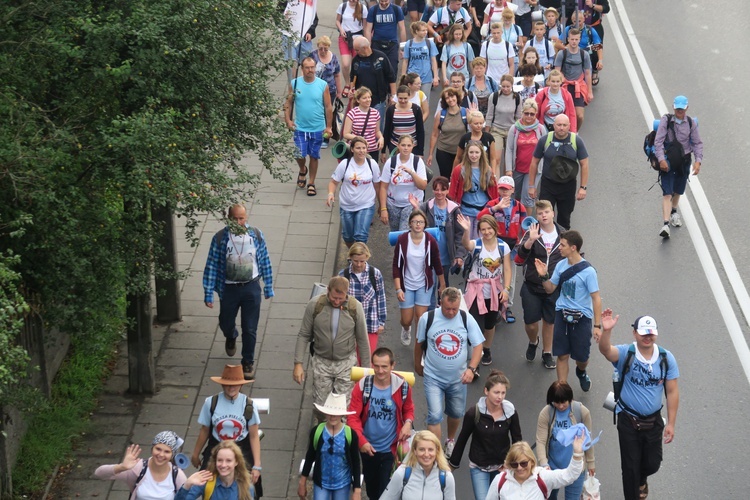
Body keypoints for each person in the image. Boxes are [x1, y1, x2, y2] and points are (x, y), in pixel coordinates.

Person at [599, 310, 680, 500]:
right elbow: (605, 350)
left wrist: (671, 424)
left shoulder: (666, 359)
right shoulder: (626, 353)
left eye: (651, 333)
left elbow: (672, 392)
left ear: (656, 334)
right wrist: (607, 331)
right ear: (635, 333)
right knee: (629, 469)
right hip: (628, 420)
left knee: (653, 463)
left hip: (653, 422)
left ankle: (642, 479)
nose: (647, 337)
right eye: (643, 333)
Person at [203, 204, 274, 380]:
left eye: (241, 218)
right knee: (225, 321)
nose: (238, 222)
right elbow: (211, 264)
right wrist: (208, 293)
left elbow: (264, 259)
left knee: (250, 328)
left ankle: (247, 361)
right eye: (234, 218)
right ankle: (231, 335)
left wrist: (268, 286)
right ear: (229, 218)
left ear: (246, 217)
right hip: (229, 288)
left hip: (251, 287)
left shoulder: (256, 235)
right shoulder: (220, 238)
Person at [414, 287, 485, 455]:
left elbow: (478, 346)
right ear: (440, 303)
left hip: (458, 379)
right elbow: (419, 343)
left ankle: (450, 440)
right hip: (433, 377)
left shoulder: (465, 318)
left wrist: (471, 369)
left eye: (455, 308)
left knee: (456, 413)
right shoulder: (428, 318)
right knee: (435, 415)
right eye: (447, 309)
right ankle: (435, 452)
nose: (452, 312)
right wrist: (417, 364)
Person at [294, 276, 371, 418]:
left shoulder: (355, 307)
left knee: (343, 407)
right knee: (321, 406)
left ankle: (341, 435)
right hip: (321, 362)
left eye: (340, 299)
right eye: (334, 297)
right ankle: (322, 432)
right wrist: (298, 363)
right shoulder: (315, 305)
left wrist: (366, 372)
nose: (336, 301)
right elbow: (304, 334)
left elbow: (362, 340)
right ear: (328, 291)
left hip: (346, 362)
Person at [533, 230, 601, 392]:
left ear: (573, 248)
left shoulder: (588, 271)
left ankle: (581, 371)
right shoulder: (560, 265)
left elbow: (596, 298)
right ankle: (562, 390)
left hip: (582, 317)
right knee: (562, 355)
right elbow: (550, 289)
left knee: (582, 357)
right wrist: (543, 276)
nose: (559, 248)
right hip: (562, 314)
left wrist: (597, 326)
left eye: (562, 245)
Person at [347, 347, 416, 500]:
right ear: (372, 365)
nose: (380, 371)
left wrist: (408, 423)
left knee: (386, 491)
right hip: (368, 449)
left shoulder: (402, 386)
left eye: (384, 366)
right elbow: (353, 418)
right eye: (376, 366)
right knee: (372, 489)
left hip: (390, 450)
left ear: (393, 365)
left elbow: (408, 409)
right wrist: (362, 442)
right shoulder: (362, 386)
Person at [189, 365, 263, 496]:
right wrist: (195, 454)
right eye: (228, 385)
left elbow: (253, 436)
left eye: (235, 384)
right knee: (203, 481)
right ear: (222, 385)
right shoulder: (211, 402)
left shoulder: (249, 404)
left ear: (241, 385)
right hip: (216, 446)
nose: (231, 388)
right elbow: (204, 430)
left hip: (241, 448)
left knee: (250, 484)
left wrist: (257, 465)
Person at [448, 370, 522, 500]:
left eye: (503, 393)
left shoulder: (510, 413)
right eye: (496, 392)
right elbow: (462, 439)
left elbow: (517, 442)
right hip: (479, 467)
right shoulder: (474, 413)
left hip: (501, 467)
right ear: (486, 391)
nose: (500, 397)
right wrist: (451, 466)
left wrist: (511, 464)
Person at [515, 199, 564, 369]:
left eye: (546, 212)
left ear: (553, 213)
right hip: (532, 286)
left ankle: (547, 353)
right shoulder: (531, 232)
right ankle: (533, 341)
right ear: (536, 216)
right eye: (540, 213)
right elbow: (518, 260)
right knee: (531, 323)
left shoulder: (563, 234)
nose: (543, 215)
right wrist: (530, 241)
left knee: (549, 322)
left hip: (553, 287)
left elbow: (573, 258)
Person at [457, 213, 511, 367]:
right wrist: (466, 230)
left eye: (489, 229)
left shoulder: (503, 247)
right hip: (476, 291)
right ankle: (475, 361)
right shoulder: (477, 245)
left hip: (494, 292)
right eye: (483, 229)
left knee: (489, 325)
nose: (486, 232)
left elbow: (507, 269)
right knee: (475, 326)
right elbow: (466, 245)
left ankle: (486, 349)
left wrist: (506, 289)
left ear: (495, 228)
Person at [475, 176, 527, 322]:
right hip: (495, 245)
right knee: (494, 273)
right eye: (501, 189)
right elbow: (480, 217)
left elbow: (525, 227)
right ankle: (494, 302)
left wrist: (523, 244)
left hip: (512, 245)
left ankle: (507, 306)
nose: (504, 192)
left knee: (510, 275)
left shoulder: (519, 206)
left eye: (507, 189)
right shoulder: (492, 204)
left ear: (512, 190)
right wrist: (495, 209)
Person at [653, 95, 703, 239]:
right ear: (674, 107)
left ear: (687, 108)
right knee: (667, 193)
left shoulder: (691, 123)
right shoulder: (666, 121)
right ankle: (666, 224)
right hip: (668, 162)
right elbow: (658, 141)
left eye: (682, 108)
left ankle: (674, 212)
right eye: (678, 108)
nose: (680, 111)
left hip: (684, 162)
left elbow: (697, 143)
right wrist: (661, 159)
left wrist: (698, 161)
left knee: (678, 190)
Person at [393, 209, 446, 345]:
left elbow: (437, 263)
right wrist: (398, 289)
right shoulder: (402, 240)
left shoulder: (430, 241)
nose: (418, 224)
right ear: (410, 224)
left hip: (424, 285)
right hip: (406, 285)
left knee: (420, 318)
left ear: (424, 225)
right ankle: (406, 329)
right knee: (406, 320)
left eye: (421, 222)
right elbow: (396, 266)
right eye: (415, 222)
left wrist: (442, 284)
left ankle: (419, 346)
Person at [527, 114, 588, 230]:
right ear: (554, 125)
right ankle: (544, 244)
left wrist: (583, 188)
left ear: (569, 126)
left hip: (568, 186)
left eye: (564, 125)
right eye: (559, 125)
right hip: (548, 185)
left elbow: (584, 164)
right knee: (544, 216)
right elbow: (534, 162)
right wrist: (531, 186)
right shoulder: (545, 140)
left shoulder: (576, 141)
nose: (561, 128)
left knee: (564, 219)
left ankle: (562, 244)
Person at [535, 381, 595, 500]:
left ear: (570, 398)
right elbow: (540, 441)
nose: (561, 406)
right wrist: (544, 464)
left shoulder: (582, 411)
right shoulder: (546, 412)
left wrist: (591, 462)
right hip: (552, 469)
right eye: (557, 402)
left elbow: (588, 439)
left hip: (576, 468)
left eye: (564, 402)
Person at [409, 176, 467, 295]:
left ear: (447, 190)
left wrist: (459, 255)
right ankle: (429, 309)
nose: (439, 192)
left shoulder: (454, 210)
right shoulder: (426, 207)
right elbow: (415, 224)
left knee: (443, 284)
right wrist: (416, 208)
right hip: (428, 253)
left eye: (442, 189)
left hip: (445, 255)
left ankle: (442, 307)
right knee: (429, 283)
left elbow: (459, 234)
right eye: (436, 189)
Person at [299, 392, 362, 500]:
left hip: (343, 483)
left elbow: (356, 462)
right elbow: (310, 457)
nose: (333, 417)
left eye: (336, 413)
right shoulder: (317, 432)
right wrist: (302, 481)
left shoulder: (350, 434)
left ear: (342, 414)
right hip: (321, 483)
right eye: (330, 413)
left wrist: (357, 489)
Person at [285, 56, 333, 196]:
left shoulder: (322, 85)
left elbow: (328, 106)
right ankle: (302, 169)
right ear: (302, 69)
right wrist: (288, 120)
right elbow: (288, 103)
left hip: (318, 127)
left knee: (314, 156)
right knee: (299, 154)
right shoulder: (294, 84)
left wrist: (329, 127)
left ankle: (311, 182)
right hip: (300, 127)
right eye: (307, 67)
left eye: (312, 67)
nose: (310, 70)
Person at [484, 435, 586, 499]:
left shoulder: (542, 477)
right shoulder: (500, 481)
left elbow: (569, 475)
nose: (519, 468)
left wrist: (577, 453)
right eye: (514, 464)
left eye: (523, 463)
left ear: (532, 461)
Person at [95, 431, 188, 500]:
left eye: (167, 451)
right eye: (158, 449)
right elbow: (99, 473)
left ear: (172, 455)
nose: (161, 455)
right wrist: (121, 467)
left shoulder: (177, 475)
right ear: (152, 449)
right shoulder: (138, 468)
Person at [327, 136, 382, 247]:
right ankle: (352, 253)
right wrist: (331, 193)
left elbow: (378, 186)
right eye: (358, 148)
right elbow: (333, 182)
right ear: (352, 149)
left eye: (363, 148)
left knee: (361, 235)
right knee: (348, 236)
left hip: (366, 205)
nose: (361, 151)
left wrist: (382, 206)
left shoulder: (372, 164)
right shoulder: (345, 164)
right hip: (347, 206)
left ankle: (358, 259)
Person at [339, 243, 387, 364]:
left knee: (367, 361)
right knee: (350, 361)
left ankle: (363, 383)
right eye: (355, 261)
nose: (359, 264)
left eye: (362, 261)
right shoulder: (343, 275)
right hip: (349, 327)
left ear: (367, 257)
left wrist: (381, 322)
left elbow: (380, 298)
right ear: (350, 258)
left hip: (370, 324)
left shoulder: (375, 274)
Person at [380, 430, 457, 499]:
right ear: (415, 451)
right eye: (422, 449)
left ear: (437, 451)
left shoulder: (446, 477)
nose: (426, 454)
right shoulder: (402, 474)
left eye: (430, 449)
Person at [504, 98, 547, 214]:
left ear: (536, 115)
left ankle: (526, 226)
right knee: (516, 197)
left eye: (532, 114)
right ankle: (516, 222)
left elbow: (545, 150)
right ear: (522, 113)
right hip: (517, 168)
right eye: (526, 113)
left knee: (527, 198)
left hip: (533, 170)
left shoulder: (540, 129)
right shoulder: (514, 129)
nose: (529, 116)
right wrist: (508, 169)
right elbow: (509, 149)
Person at [448, 142, 499, 237]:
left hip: (483, 212)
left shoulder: (488, 170)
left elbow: (494, 194)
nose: (474, 155)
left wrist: (493, 211)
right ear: (467, 153)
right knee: (465, 242)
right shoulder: (459, 170)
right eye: (471, 152)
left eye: (477, 152)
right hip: (465, 212)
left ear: (481, 153)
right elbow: (452, 193)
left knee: (479, 242)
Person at [379, 135, 428, 231]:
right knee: (396, 234)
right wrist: (383, 209)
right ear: (398, 145)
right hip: (393, 204)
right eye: (403, 145)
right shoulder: (391, 162)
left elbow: (423, 186)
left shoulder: (417, 162)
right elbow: (383, 187)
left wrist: (411, 173)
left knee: (404, 232)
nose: (406, 148)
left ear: (413, 146)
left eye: (409, 145)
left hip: (412, 204)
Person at [178, 441, 256, 500]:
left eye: (228, 460)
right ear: (215, 461)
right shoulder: (207, 482)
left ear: (236, 462)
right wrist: (187, 485)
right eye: (220, 460)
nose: (223, 465)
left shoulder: (246, 486)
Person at [553, 29, 592, 130]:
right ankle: (564, 132)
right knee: (564, 115)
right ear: (568, 40)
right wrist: (561, 81)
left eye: (576, 39)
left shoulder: (584, 55)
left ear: (579, 40)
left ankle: (575, 132)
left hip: (578, 87)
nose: (574, 41)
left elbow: (587, 74)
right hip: (565, 86)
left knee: (579, 116)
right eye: (572, 39)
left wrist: (590, 92)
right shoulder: (562, 54)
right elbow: (557, 72)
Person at [351, 38, 397, 121]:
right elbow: (352, 78)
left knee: (378, 127)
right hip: (361, 101)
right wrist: (352, 90)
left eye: (357, 50)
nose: (355, 52)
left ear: (364, 48)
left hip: (378, 100)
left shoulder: (381, 57)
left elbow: (391, 77)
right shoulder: (356, 60)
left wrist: (393, 95)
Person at [427, 87, 469, 179]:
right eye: (447, 98)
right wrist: (430, 154)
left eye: (452, 96)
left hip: (461, 152)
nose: (450, 100)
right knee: (446, 179)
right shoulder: (441, 114)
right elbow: (434, 134)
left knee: (460, 178)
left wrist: (474, 115)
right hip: (444, 151)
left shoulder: (465, 113)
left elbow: (474, 129)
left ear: (457, 97)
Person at [311, 37, 344, 149]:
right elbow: (306, 71)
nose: (323, 51)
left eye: (325, 49)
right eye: (321, 49)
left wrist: (340, 91)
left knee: (327, 113)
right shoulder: (313, 56)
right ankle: (316, 135)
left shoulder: (333, 57)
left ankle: (325, 137)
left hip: (330, 90)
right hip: (315, 90)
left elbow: (337, 75)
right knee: (316, 113)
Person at [485, 74, 521, 174]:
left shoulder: (517, 97)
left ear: (512, 86)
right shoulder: (494, 96)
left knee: (508, 162)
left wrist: (519, 133)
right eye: (503, 86)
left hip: (511, 131)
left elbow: (519, 117)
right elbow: (489, 115)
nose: (505, 89)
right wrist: (486, 134)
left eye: (508, 87)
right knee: (496, 159)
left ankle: (506, 184)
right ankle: (495, 184)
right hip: (497, 130)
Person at [365, 0, 407, 83]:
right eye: (382, 1)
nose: (384, 3)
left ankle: (391, 93)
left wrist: (402, 48)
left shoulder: (396, 9)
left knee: (392, 70)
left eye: (386, 1)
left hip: (392, 45)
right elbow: (368, 29)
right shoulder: (373, 10)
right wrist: (368, 46)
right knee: (377, 70)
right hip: (377, 44)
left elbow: (402, 29)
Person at [383, 87, 426, 156]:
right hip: (395, 146)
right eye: (400, 98)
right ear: (397, 97)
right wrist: (383, 151)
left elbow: (420, 131)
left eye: (405, 98)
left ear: (409, 96)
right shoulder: (391, 110)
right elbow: (387, 130)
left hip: (412, 146)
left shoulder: (416, 109)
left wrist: (420, 152)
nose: (403, 101)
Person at [401, 21, 440, 98]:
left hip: (426, 77)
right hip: (412, 77)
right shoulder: (409, 44)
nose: (425, 32)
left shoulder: (429, 43)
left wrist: (435, 76)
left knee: (425, 100)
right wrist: (403, 75)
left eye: (426, 30)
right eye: (423, 30)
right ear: (416, 31)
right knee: (412, 99)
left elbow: (433, 61)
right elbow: (405, 61)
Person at [564, 10, 603, 86]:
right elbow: (558, 44)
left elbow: (599, 45)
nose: (577, 23)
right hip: (572, 52)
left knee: (594, 50)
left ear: (584, 19)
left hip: (586, 53)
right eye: (575, 21)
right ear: (572, 21)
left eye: (579, 21)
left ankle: (593, 72)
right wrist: (566, 47)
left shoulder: (590, 30)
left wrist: (600, 60)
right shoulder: (568, 29)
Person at [336, 0, 366, 89]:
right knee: (345, 64)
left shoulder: (362, 8)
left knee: (356, 64)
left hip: (357, 39)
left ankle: (354, 83)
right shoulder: (343, 6)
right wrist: (341, 30)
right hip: (345, 38)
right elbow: (337, 21)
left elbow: (365, 26)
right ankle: (347, 83)